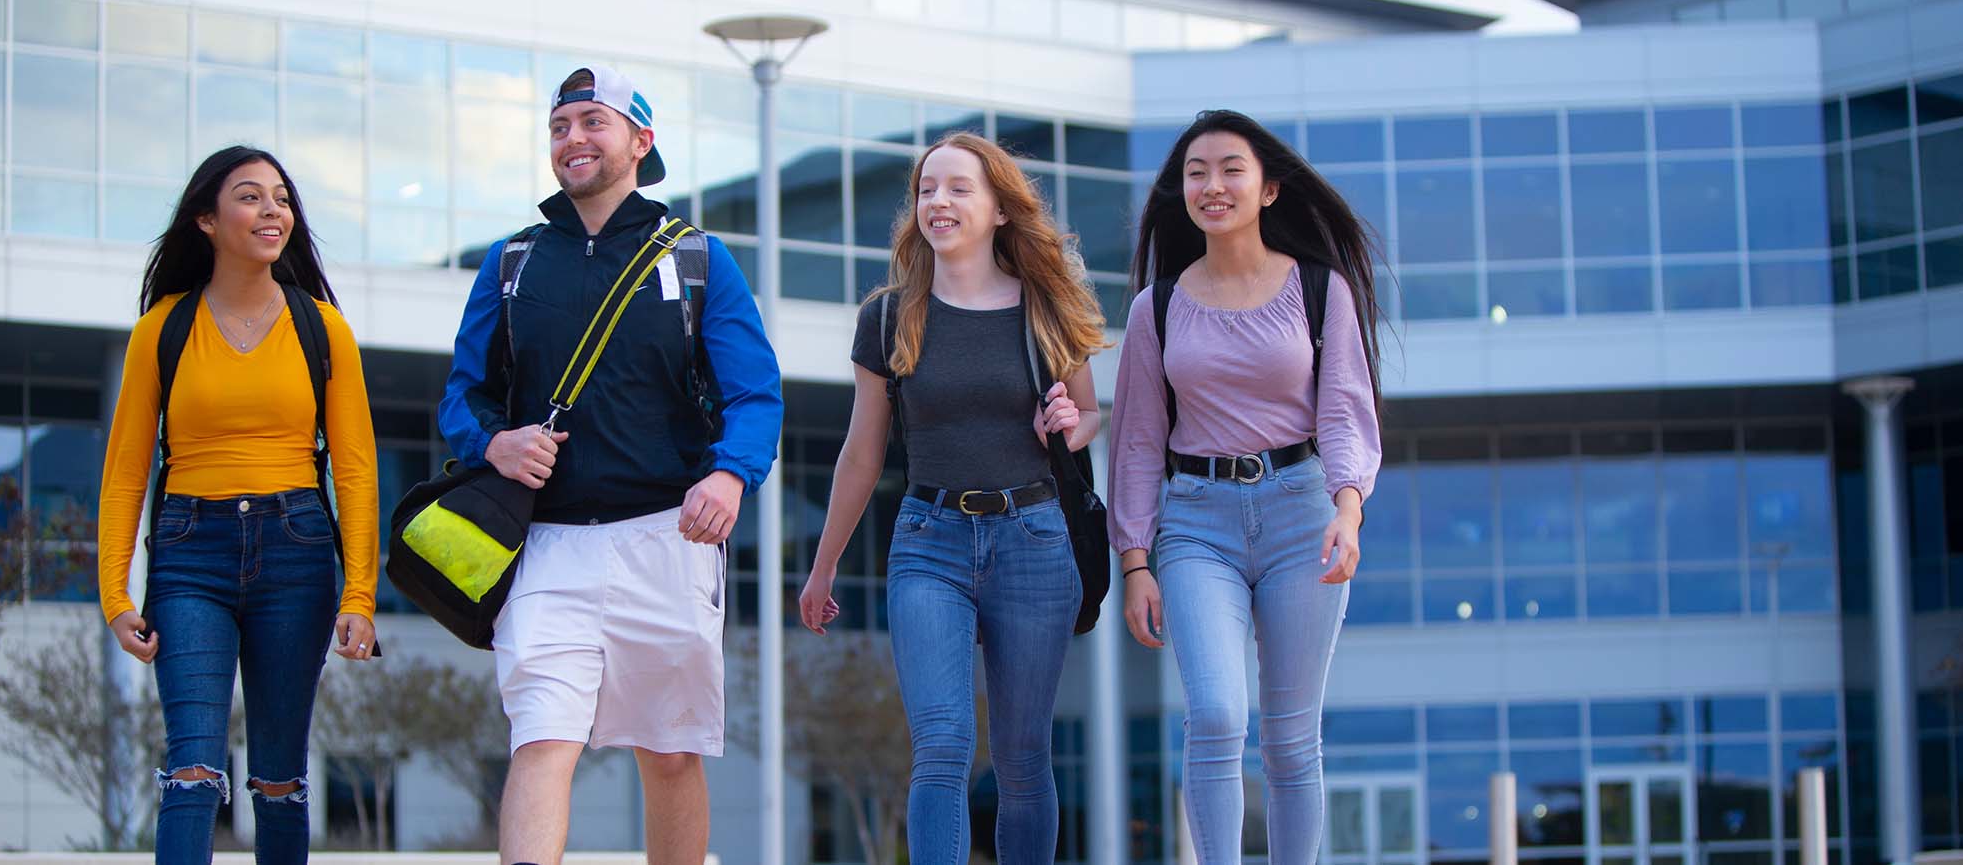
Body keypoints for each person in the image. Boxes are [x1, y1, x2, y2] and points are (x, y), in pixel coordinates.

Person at [437, 65, 783, 865]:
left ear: (641, 141)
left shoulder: (698, 258)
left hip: (668, 540)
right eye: (560, 126)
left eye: (593, 122)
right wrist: (493, 442)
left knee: (668, 753)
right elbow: (463, 395)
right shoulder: (510, 261)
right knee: (542, 738)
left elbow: (756, 394)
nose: (573, 140)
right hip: (547, 546)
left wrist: (730, 474)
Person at [797, 132, 1106, 865]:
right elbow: (862, 451)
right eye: (927, 188)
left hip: (1033, 537)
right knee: (940, 743)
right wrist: (823, 565)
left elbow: (1092, 413)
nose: (938, 201)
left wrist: (1072, 420)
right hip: (928, 539)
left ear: (1000, 208)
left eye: (958, 187)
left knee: (1023, 754)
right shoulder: (887, 316)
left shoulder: (1046, 307)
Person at [1106, 110, 1384, 865]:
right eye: (1197, 172)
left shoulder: (1320, 291)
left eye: (1231, 168)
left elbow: (1346, 409)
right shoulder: (1154, 309)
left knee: (1292, 738)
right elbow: (1135, 441)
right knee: (1218, 714)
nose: (1212, 184)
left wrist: (1348, 510)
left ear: (1268, 190)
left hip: (1304, 514)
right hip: (1197, 525)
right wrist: (1134, 561)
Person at [97, 145, 380, 865]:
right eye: (251, 197)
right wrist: (113, 592)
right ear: (207, 220)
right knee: (191, 766)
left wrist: (360, 594)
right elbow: (127, 469)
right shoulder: (162, 328)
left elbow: (354, 470)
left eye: (281, 198)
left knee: (279, 778)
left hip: (298, 549)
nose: (273, 211)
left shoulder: (324, 328)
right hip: (192, 550)